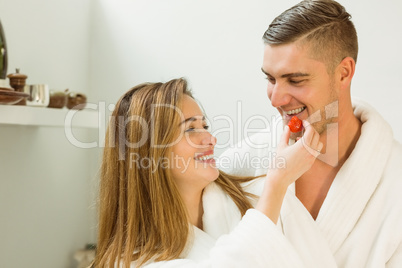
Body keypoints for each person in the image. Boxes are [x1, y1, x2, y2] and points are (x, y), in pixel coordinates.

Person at [220, 0, 402, 267]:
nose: (276, 99)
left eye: (295, 80)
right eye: (270, 79)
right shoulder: (239, 165)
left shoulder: (395, 178)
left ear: (344, 73)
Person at [93, 78, 335, 267]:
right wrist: (278, 183)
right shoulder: (131, 261)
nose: (210, 138)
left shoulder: (260, 198)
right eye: (190, 129)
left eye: (205, 126)